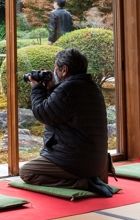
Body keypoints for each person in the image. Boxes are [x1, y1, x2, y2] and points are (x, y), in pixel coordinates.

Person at [19, 48, 115, 197]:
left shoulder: (69, 89)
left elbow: (43, 113)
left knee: (27, 172)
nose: (54, 72)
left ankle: (82, 183)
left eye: (56, 69)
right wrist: (51, 88)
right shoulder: (91, 87)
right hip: (97, 162)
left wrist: (36, 88)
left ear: (65, 70)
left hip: (76, 160)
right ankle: (90, 178)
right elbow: (59, 112)